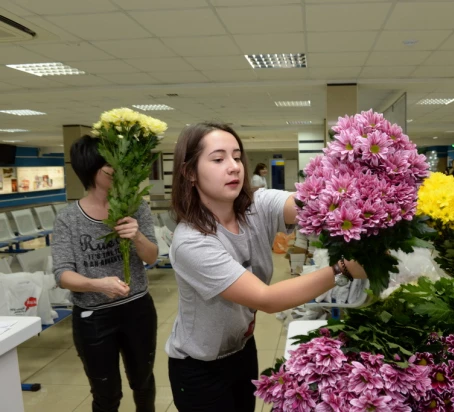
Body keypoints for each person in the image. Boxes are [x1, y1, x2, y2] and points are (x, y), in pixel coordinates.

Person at [165, 122, 367, 412]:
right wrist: (341, 270)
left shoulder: (256, 205)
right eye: (218, 159)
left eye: (237, 156)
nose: (234, 166)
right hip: (200, 367)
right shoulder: (192, 242)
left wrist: (359, 191)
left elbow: (311, 205)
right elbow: (266, 299)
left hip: (241, 349)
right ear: (189, 172)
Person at [52, 135, 159, 412]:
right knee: (106, 393)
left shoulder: (135, 207)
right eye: (109, 165)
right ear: (92, 169)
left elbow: (152, 256)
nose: (117, 169)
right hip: (94, 318)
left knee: (143, 382)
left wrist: (136, 236)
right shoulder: (68, 218)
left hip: (137, 309)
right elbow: (62, 274)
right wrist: (97, 284)